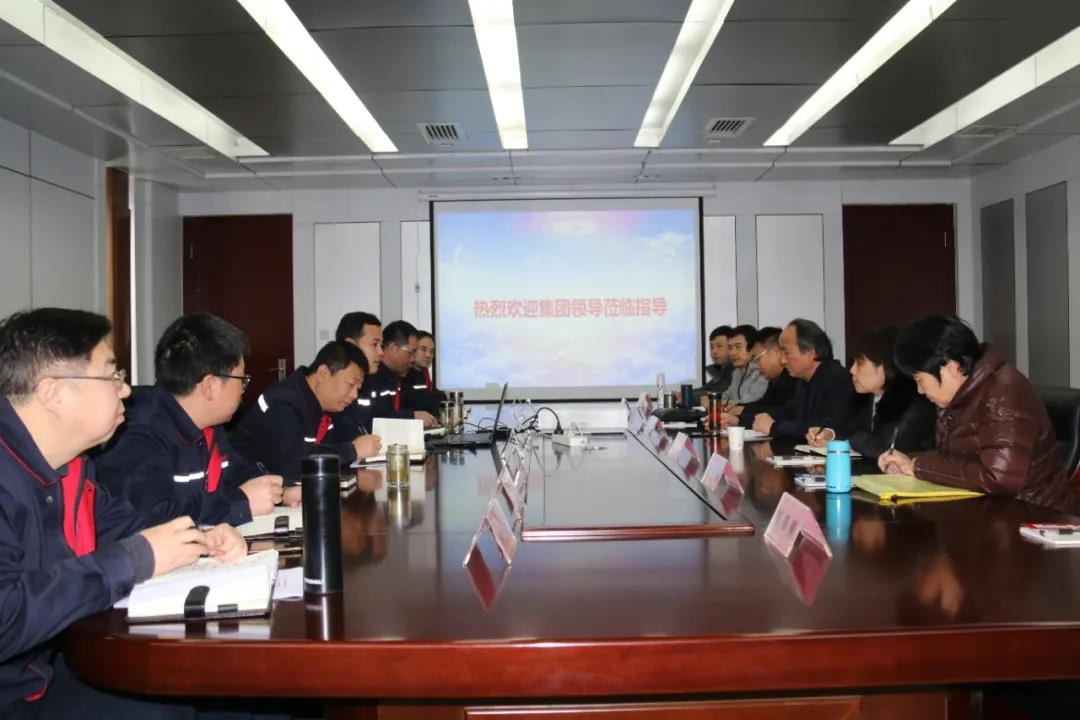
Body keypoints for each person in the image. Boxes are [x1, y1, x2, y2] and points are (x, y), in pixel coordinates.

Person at [0, 308, 244, 718]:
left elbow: (127, 526)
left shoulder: (73, 468)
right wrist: (134, 559)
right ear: (53, 394)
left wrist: (202, 537)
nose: (127, 390)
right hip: (14, 696)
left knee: (201, 685)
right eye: (112, 376)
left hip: (49, 667)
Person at [97, 314, 293, 527]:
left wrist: (281, 492)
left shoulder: (210, 425)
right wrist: (239, 503)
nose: (242, 391)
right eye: (242, 380)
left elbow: (238, 475)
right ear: (210, 386)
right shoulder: (138, 435)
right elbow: (153, 515)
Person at [878, 315, 1074, 512]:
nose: (920, 390)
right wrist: (910, 462)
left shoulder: (1002, 397)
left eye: (920, 380)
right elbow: (957, 459)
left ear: (951, 367)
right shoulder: (966, 394)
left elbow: (998, 477)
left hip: (1035, 517)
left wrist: (919, 467)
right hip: (996, 511)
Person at [231, 341, 381, 478]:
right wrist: (352, 450)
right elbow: (292, 464)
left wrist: (362, 443)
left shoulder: (328, 404)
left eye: (358, 388)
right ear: (323, 374)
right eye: (351, 385)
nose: (354, 395)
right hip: (243, 485)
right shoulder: (283, 403)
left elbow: (344, 435)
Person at [805, 325, 936, 459]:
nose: (852, 370)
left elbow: (893, 450)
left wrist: (852, 441)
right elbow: (849, 429)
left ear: (885, 366)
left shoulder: (916, 403)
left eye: (859, 363)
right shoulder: (865, 398)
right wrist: (829, 435)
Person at [752, 319, 854, 441]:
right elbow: (787, 413)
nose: (782, 361)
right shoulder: (803, 381)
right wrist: (741, 419)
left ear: (810, 352)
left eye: (786, 352)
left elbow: (822, 427)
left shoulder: (837, 379)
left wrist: (774, 427)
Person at [720, 327, 796, 428]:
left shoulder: (795, 378)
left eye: (757, 359)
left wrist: (742, 414)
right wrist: (742, 410)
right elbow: (765, 404)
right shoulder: (776, 379)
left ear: (776, 352)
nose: (756, 365)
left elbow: (786, 413)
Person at [367, 320, 438, 426]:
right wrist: (412, 416)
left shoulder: (396, 377)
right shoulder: (372, 376)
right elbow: (373, 418)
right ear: (393, 348)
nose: (412, 359)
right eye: (410, 353)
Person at [720, 325, 767, 407]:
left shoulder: (762, 370)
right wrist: (715, 399)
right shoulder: (737, 372)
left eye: (738, 347)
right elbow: (727, 394)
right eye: (730, 348)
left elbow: (750, 401)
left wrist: (721, 403)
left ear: (752, 347)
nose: (733, 353)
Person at [696, 325, 733, 402]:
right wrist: (684, 393)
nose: (714, 351)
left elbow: (717, 391)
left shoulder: (735, 371)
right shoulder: (720, 370)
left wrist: (688, 395)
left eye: (719, 346)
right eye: (711, 347)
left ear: (731, 347)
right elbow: (706, 388)